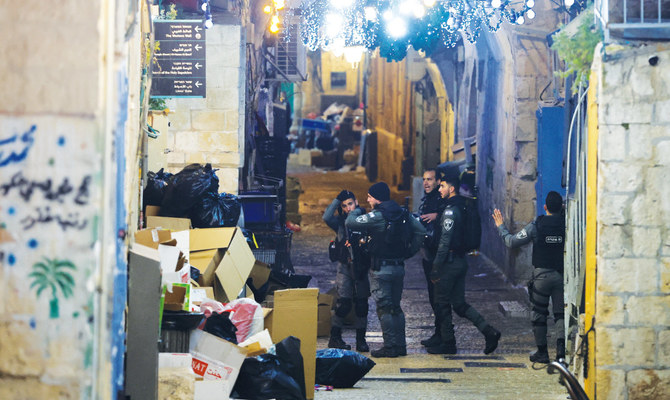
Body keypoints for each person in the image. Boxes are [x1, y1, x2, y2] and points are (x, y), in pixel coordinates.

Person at [345, 182, 425, 358]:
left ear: (376, 198)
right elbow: (420, 231)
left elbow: (351, 222)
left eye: (369, 196)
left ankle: (390, 347)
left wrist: (357, 209)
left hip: (381, 269)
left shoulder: (377, 215)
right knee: (396, 308)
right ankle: (401, 346)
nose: (367, 199)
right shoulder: (403, 213)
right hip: (399, 267)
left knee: (384, 308)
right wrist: (409, 252)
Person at [428, 172, 501, 355]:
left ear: (451, 189)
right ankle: (489, 331)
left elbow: (445, 241)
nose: (440, 188)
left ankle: (448, 342)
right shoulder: (462, 206)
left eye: (443, 185)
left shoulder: (451, 210)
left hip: (450, 264)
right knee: (459, 304)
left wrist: (436, 267)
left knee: (442, 302)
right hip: (460, 261)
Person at [492, 191, 565, 363]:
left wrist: (500, 226)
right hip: (562, 276)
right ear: (561, 207)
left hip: (542, 277)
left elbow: (511, 241)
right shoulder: (567, 224)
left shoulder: (536, 225)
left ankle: (542, 352)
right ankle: (561, 353)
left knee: (539, 314)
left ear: (545, 207)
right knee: (560, 315)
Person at [323, 190, 371, 352]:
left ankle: (361, 340)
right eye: (344, 206)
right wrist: (337, 200)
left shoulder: (364, 219)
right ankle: (335, 338)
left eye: (350, 204)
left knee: (362, 304)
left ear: (356, 202)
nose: (348, 208)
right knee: (343, 304)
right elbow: (326, 217)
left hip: (361, 267)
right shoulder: (339, 222)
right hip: (345, 267)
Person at [417, 168, 447, 348]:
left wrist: (438, 216)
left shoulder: (441, 200)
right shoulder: (428, 199)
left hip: (437, 255)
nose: (426, 183)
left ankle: (444, 336)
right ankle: (439, 333)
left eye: (430, 179)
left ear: (437, 181)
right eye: (424, 179)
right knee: (433, 296)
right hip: (428, 253)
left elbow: (454, 215)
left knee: (440, 298)